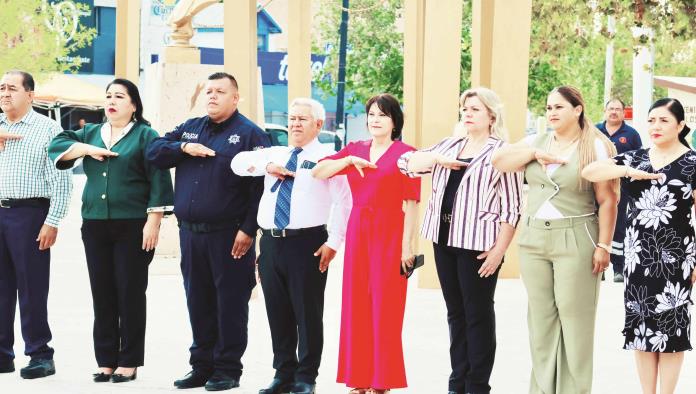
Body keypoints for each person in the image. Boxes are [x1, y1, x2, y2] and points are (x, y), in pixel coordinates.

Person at [146, 72, 270, 391]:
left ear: (235, 98)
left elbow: (261, 189)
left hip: (229, 236)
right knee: (197, 301)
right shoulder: (192, 128)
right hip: (191, 234)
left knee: (229, 303)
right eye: (209, 91)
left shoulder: (250, 135)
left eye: (220, 92)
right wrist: (185, 148)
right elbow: (155, 151)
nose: (212, 96)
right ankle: (201, 366)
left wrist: (248, 229)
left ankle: (227, 369)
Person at [491, 86, 618, 394]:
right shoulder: (536, 141)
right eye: (548, 107)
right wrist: (533, 153)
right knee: (541, 320)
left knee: (575, 321)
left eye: (559, 107)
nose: (552, 113)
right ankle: (543, 388)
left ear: (578, 109)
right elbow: (499, 161)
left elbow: (608, 200)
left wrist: (604, 245)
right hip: (534, 238)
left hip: (576, 236)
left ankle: (574, 390)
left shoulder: (596, 146)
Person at [47, 78, 174, 383]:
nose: (112, 101)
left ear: (133, 104)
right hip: (94, 225)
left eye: (120, 96)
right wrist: (86, 149)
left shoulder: (146, 135)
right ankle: (106, 360)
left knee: (129, 292)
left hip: (132, 226)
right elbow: (57, 144)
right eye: (108, 96)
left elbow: (158, 177)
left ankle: (128, 362)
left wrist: (153, 221)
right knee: (102, 293)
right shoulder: (91, 132)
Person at [397, 87, 523, 394]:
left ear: (492, 115)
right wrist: (438, 158)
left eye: (475, 109)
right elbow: (406, 163)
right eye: (465, 108)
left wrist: (499, 251)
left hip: (479, 245)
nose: (467, 113)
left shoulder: (501, 152)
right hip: (444, 240)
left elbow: (512, 207)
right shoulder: (449, 145)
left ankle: (477, 385)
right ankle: (458, 382)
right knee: (455, 313)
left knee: (477, 314)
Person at [231, 98, 351, 394]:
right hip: (271, 243)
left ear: (319, 125)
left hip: (307, 243)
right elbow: (237, 163)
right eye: (292, 118)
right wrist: (268, 165)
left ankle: (306, 376)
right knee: (278, 311)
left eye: (302, 119)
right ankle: (283, 372)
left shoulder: (328, 157)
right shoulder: (276, 152)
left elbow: (345, 202)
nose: (295, 124)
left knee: (307, 313)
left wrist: (333, 242)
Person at [582, 98, 695, 394]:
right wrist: (627, 172)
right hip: (637, 257)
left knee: (671, 330)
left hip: (677, 258)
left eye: (664, 121)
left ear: (681, 126)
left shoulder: (692, 163)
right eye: (651, 120)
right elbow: (590, 172)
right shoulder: (635, 158)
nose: (655, 126)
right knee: (641, 329)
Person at [312, 93, 420, 394]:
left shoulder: (406, 154)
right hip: (359, 229)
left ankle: (381, 380)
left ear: (394, 121)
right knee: (356, 303)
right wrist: (346, 160)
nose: (375, 119)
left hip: (390, 229)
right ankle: (358, 379)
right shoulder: (355, 150)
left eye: (382, 115)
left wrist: (407, 246)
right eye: (371, 114)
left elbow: (412, 202)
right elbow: (318, 171)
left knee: (385, 306)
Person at [0, 70, 72, 379]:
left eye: (12, 88)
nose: (5, 93)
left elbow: (62, 180)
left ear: (30, 95)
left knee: (31, 288)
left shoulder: (48, 129)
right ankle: (3, 354)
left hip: (29, 215)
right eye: (1, 88)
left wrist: (52, 221)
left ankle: (40, 354)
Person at [596, 98, 643, 282]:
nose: (613, 112)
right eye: (610, 109)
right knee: (596, 223)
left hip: (621, 187)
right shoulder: (594, 131)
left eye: (617, 109)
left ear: (624, 113)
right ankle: (598, 269)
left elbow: (639, 161)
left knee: (619, 226)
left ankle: (618, 267)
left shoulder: (631, 134)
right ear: (605, 111)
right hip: (596, 184)